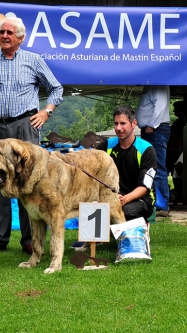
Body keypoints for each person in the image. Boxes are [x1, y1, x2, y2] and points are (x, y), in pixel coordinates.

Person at [0, 16, 63, 256]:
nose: (4, 36)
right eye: (2, 32)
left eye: (9, 33)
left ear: (20, 38)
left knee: (27, 181)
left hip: (25, 127)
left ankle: (30, 239)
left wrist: (46, 112)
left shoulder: (34, 60)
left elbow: (56, 88)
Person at [71, 106, 157, 250]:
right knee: (88, 205)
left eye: (123, 123)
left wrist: (124, 199)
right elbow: (88, 165)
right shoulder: (107, 145)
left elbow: (145, 187)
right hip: (111, 196)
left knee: (127, 211)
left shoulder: (147, 149)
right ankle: (93, 240)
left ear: (133, 123)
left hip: (139, 198)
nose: (118, 128)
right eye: (116, 124)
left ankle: (140, 227)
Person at [136, 86, 170, 217]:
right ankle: (156, 202)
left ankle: (163, 205)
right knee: (150, 166)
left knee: (157, 167)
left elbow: (160, 105)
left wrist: (152, 125)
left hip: (156, 130)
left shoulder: (158, 82)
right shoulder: (152, 83)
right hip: (153, 130)